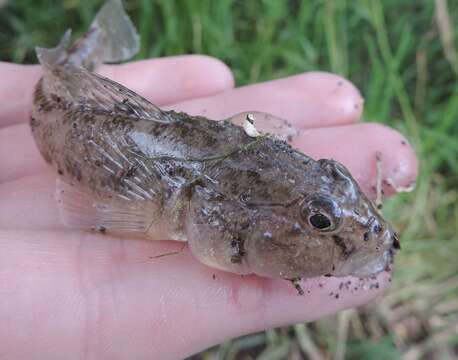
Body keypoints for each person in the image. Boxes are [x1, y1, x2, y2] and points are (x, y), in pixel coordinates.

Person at [0, 56, 417, 359]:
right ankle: (79, 54)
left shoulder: (250, 165)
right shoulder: (175, 201)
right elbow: (90, 209)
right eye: (320, 221)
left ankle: (80, 55)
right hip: (64, 111)